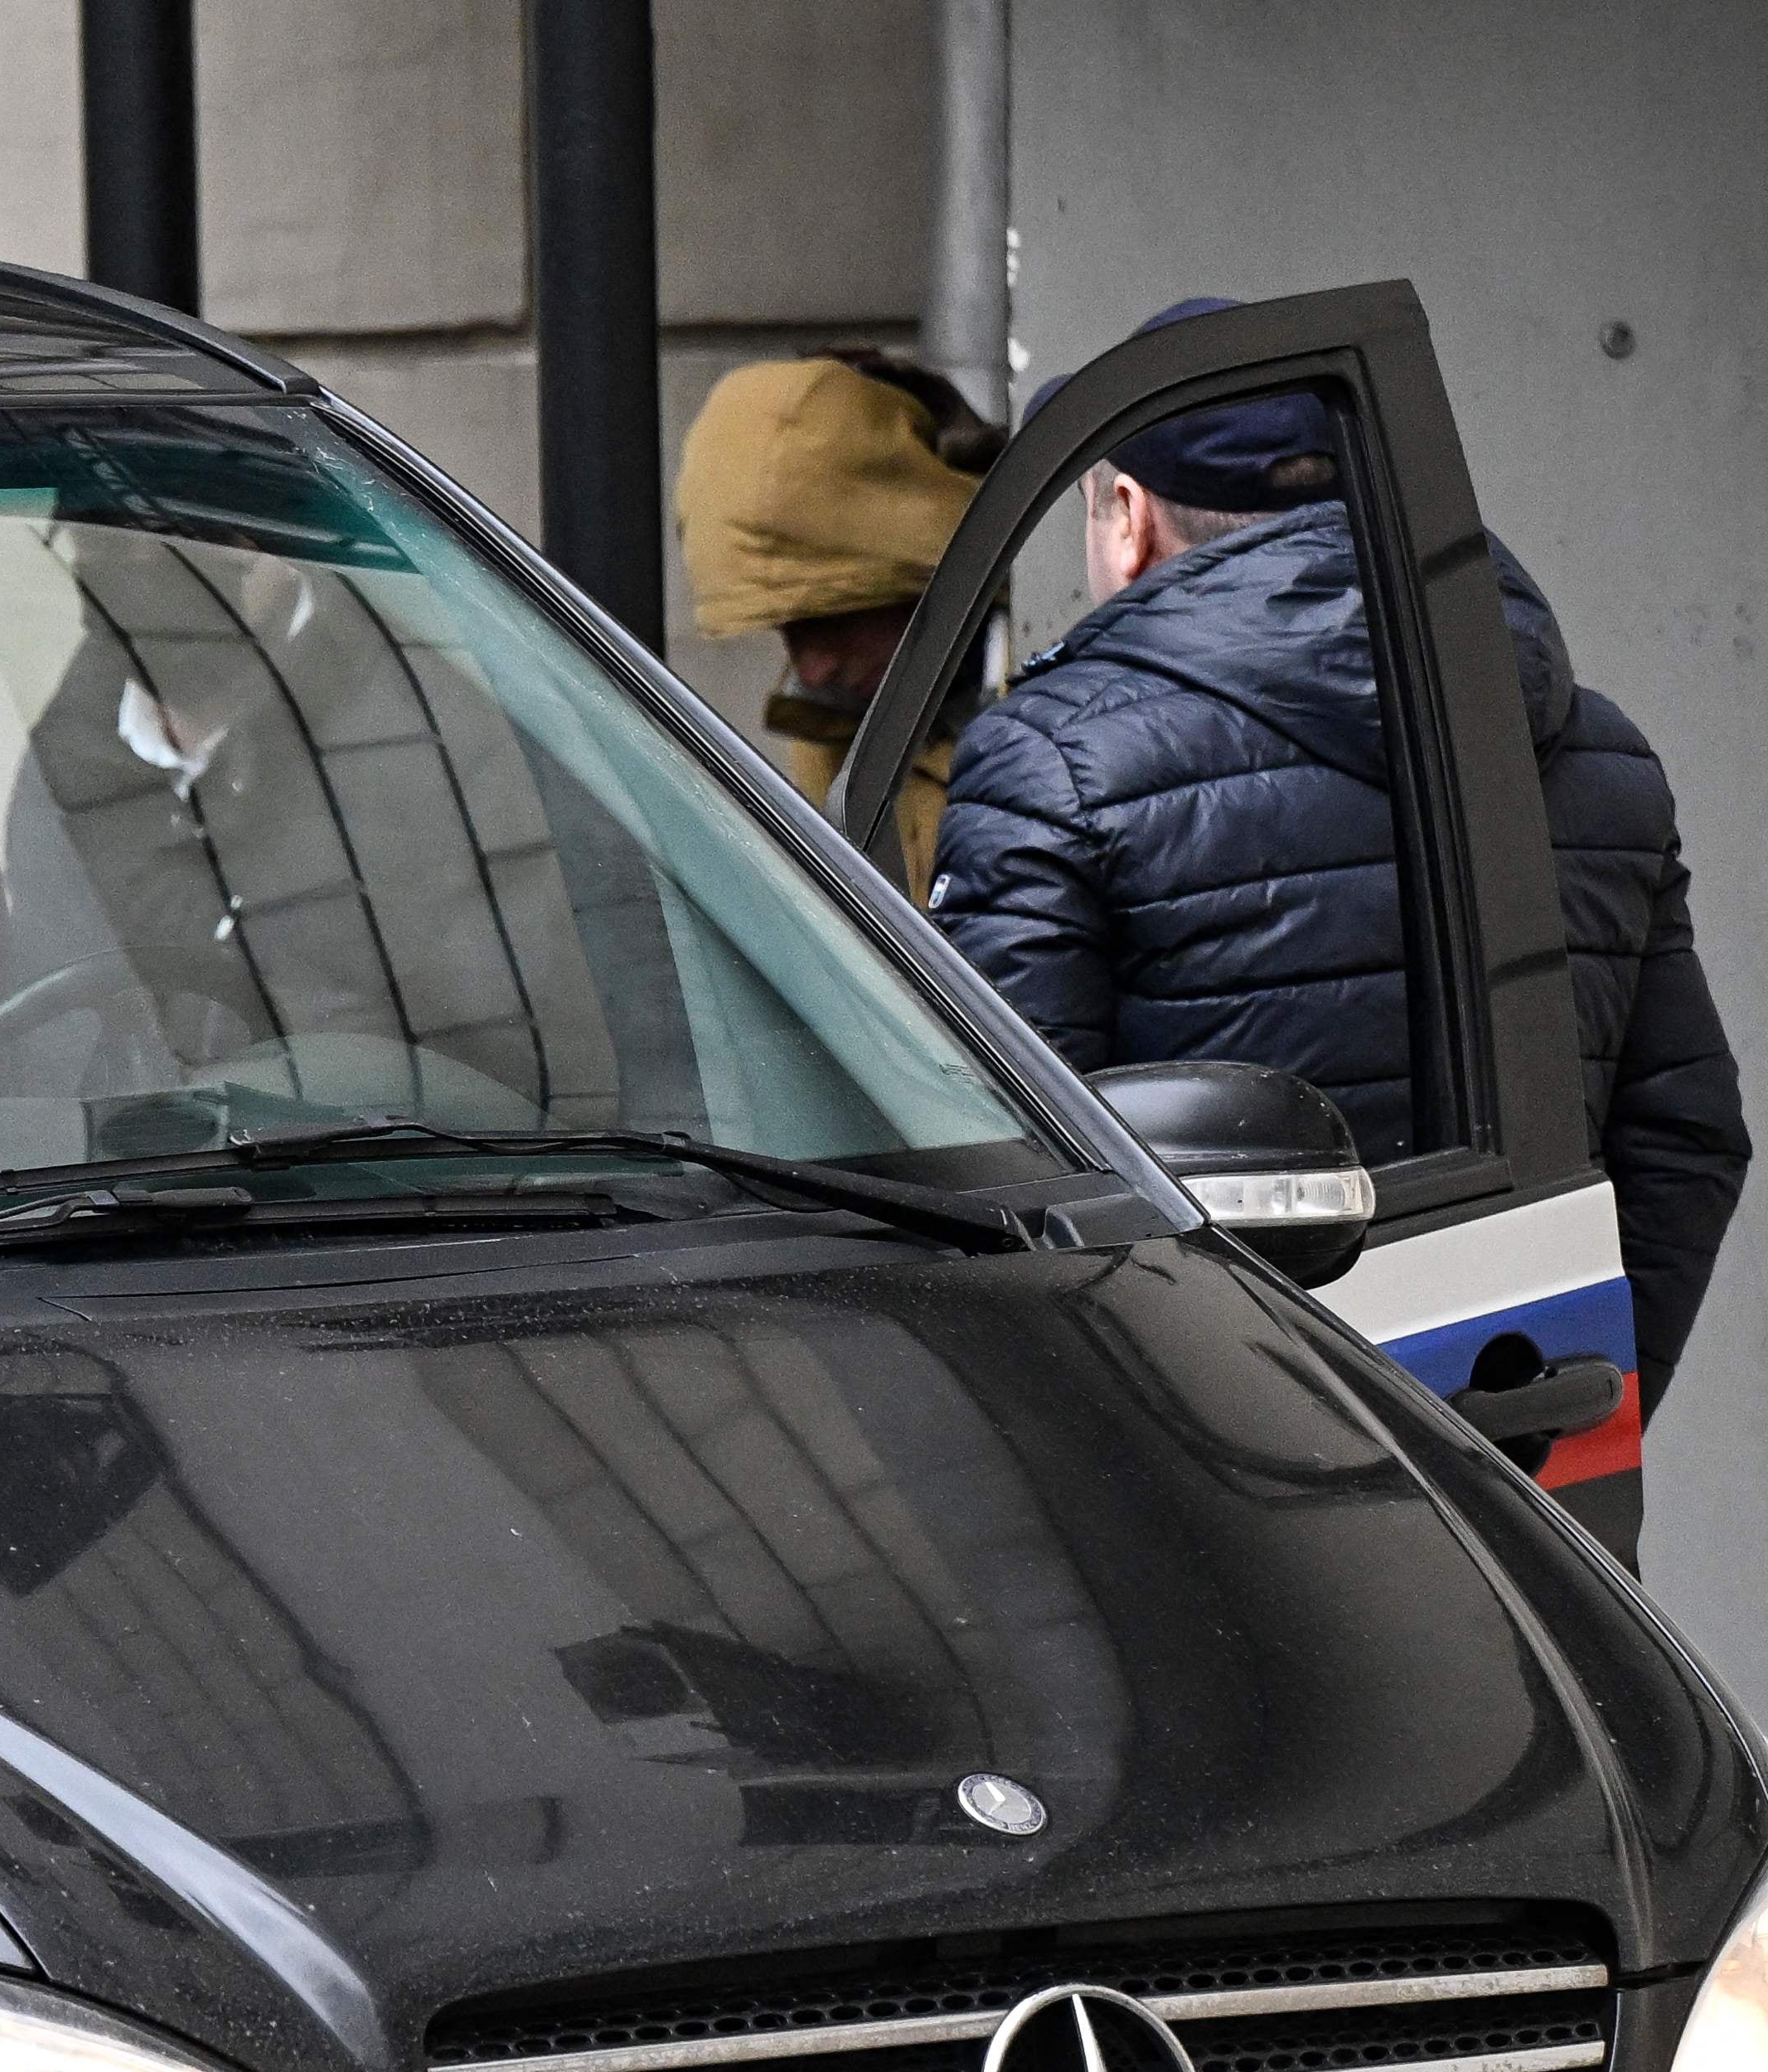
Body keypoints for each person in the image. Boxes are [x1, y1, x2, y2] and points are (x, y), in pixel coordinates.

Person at [932, 299, 1749, 1415]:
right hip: (1511, 1435)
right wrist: (1556, 1415)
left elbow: (1005, 1181)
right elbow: (1686, 1141)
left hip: (1216, 1458)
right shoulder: (1595, 751)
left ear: (1126, 515)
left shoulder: (1051, 762)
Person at [673, 350, 1002, 902]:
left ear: (907, 554)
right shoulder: (832, 731)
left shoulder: (1063, 678)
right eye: (786, 630)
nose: (812, 669)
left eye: (825, 619)